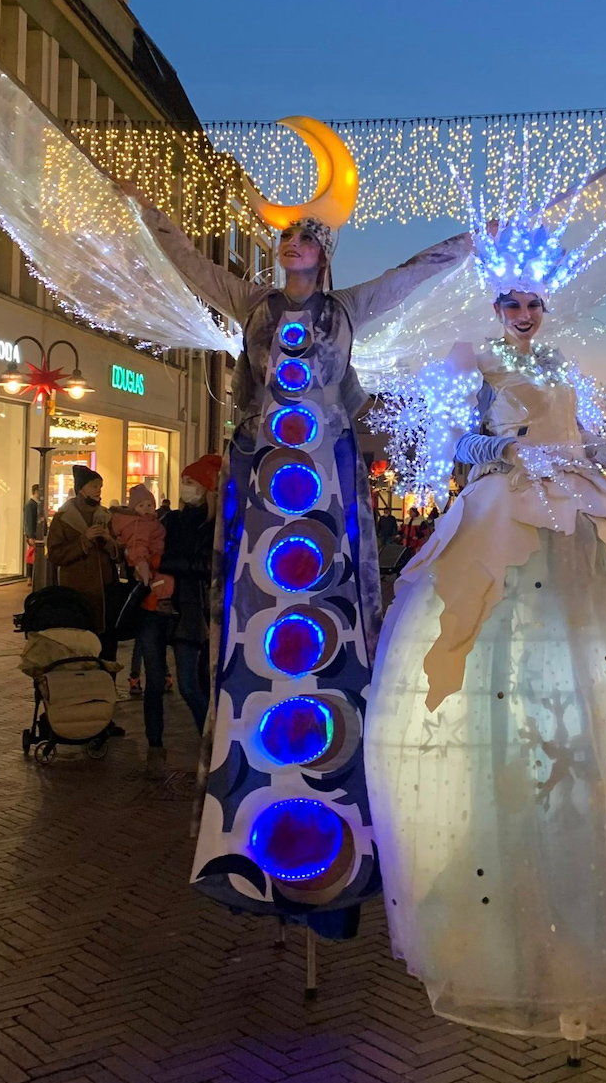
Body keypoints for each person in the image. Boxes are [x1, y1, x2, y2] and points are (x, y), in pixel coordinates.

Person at [365, 266, 606, 1039]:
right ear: (496, 307)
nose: (524, 313)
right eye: (512, 303)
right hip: (509, 498)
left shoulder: (557, 363)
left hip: (578, 502)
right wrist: (493, 446)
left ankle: (580, 839)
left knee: (598, 625)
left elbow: (578, 430)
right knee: (489, 613)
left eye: (533, 303)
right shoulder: (473, 359)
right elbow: (454, 438)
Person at [125, 171, 473, 927]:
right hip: (265, 475)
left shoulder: (346, 309)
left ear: (323, 255)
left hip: (325, 475)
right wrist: (149, 209)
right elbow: (190, 265)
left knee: (324, 597)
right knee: (265, 595)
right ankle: (259, 762)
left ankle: (333, 764)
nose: (292, 246)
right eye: (286, 237)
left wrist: (473, 241)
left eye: (305, 239)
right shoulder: (252, 303)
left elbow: (410, 274)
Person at [111, 484, 177, 778]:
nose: (148, 510)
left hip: (157, 608)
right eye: (143, 505)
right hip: (150, 608)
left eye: (150, 505)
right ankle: (155, 745)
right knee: (155, 676)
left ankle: (156, 745)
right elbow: (138, 551)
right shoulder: (139, 528)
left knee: (157, 676)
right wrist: (144, 566)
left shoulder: (157, 525)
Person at [160, 455, 220, 744]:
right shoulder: (174, 519)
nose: (185, 487)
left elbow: (210, 565)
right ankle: (210, 739)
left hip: (201, 611)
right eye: (183, 481)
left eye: (191, 482)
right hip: (175, 609)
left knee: (194, 684)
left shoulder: (216, 525)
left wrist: (168, 563)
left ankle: (212, 740)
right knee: (191, 684)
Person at [45, 466, 122, 661]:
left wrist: (109, 541)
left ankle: (106, 677)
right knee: (80, 646)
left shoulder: (105, 516)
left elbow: (119, 554)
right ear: (81, 489)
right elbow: (55, 555)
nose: (98, 491)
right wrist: (84, 541)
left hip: (106, 592)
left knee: (107, 648)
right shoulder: (64, 518)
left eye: (100, 487)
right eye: (94, 486)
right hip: (77, 594)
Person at [22, 484, 44, 582]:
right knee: (32, 556)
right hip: (33, 535)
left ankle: (32, 576)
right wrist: (30, 535)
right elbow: (29, 520)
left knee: (33, 555)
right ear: (36, 492)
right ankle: (30, 576)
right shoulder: (31, 505)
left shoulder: (35, 504)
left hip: (34, 534)